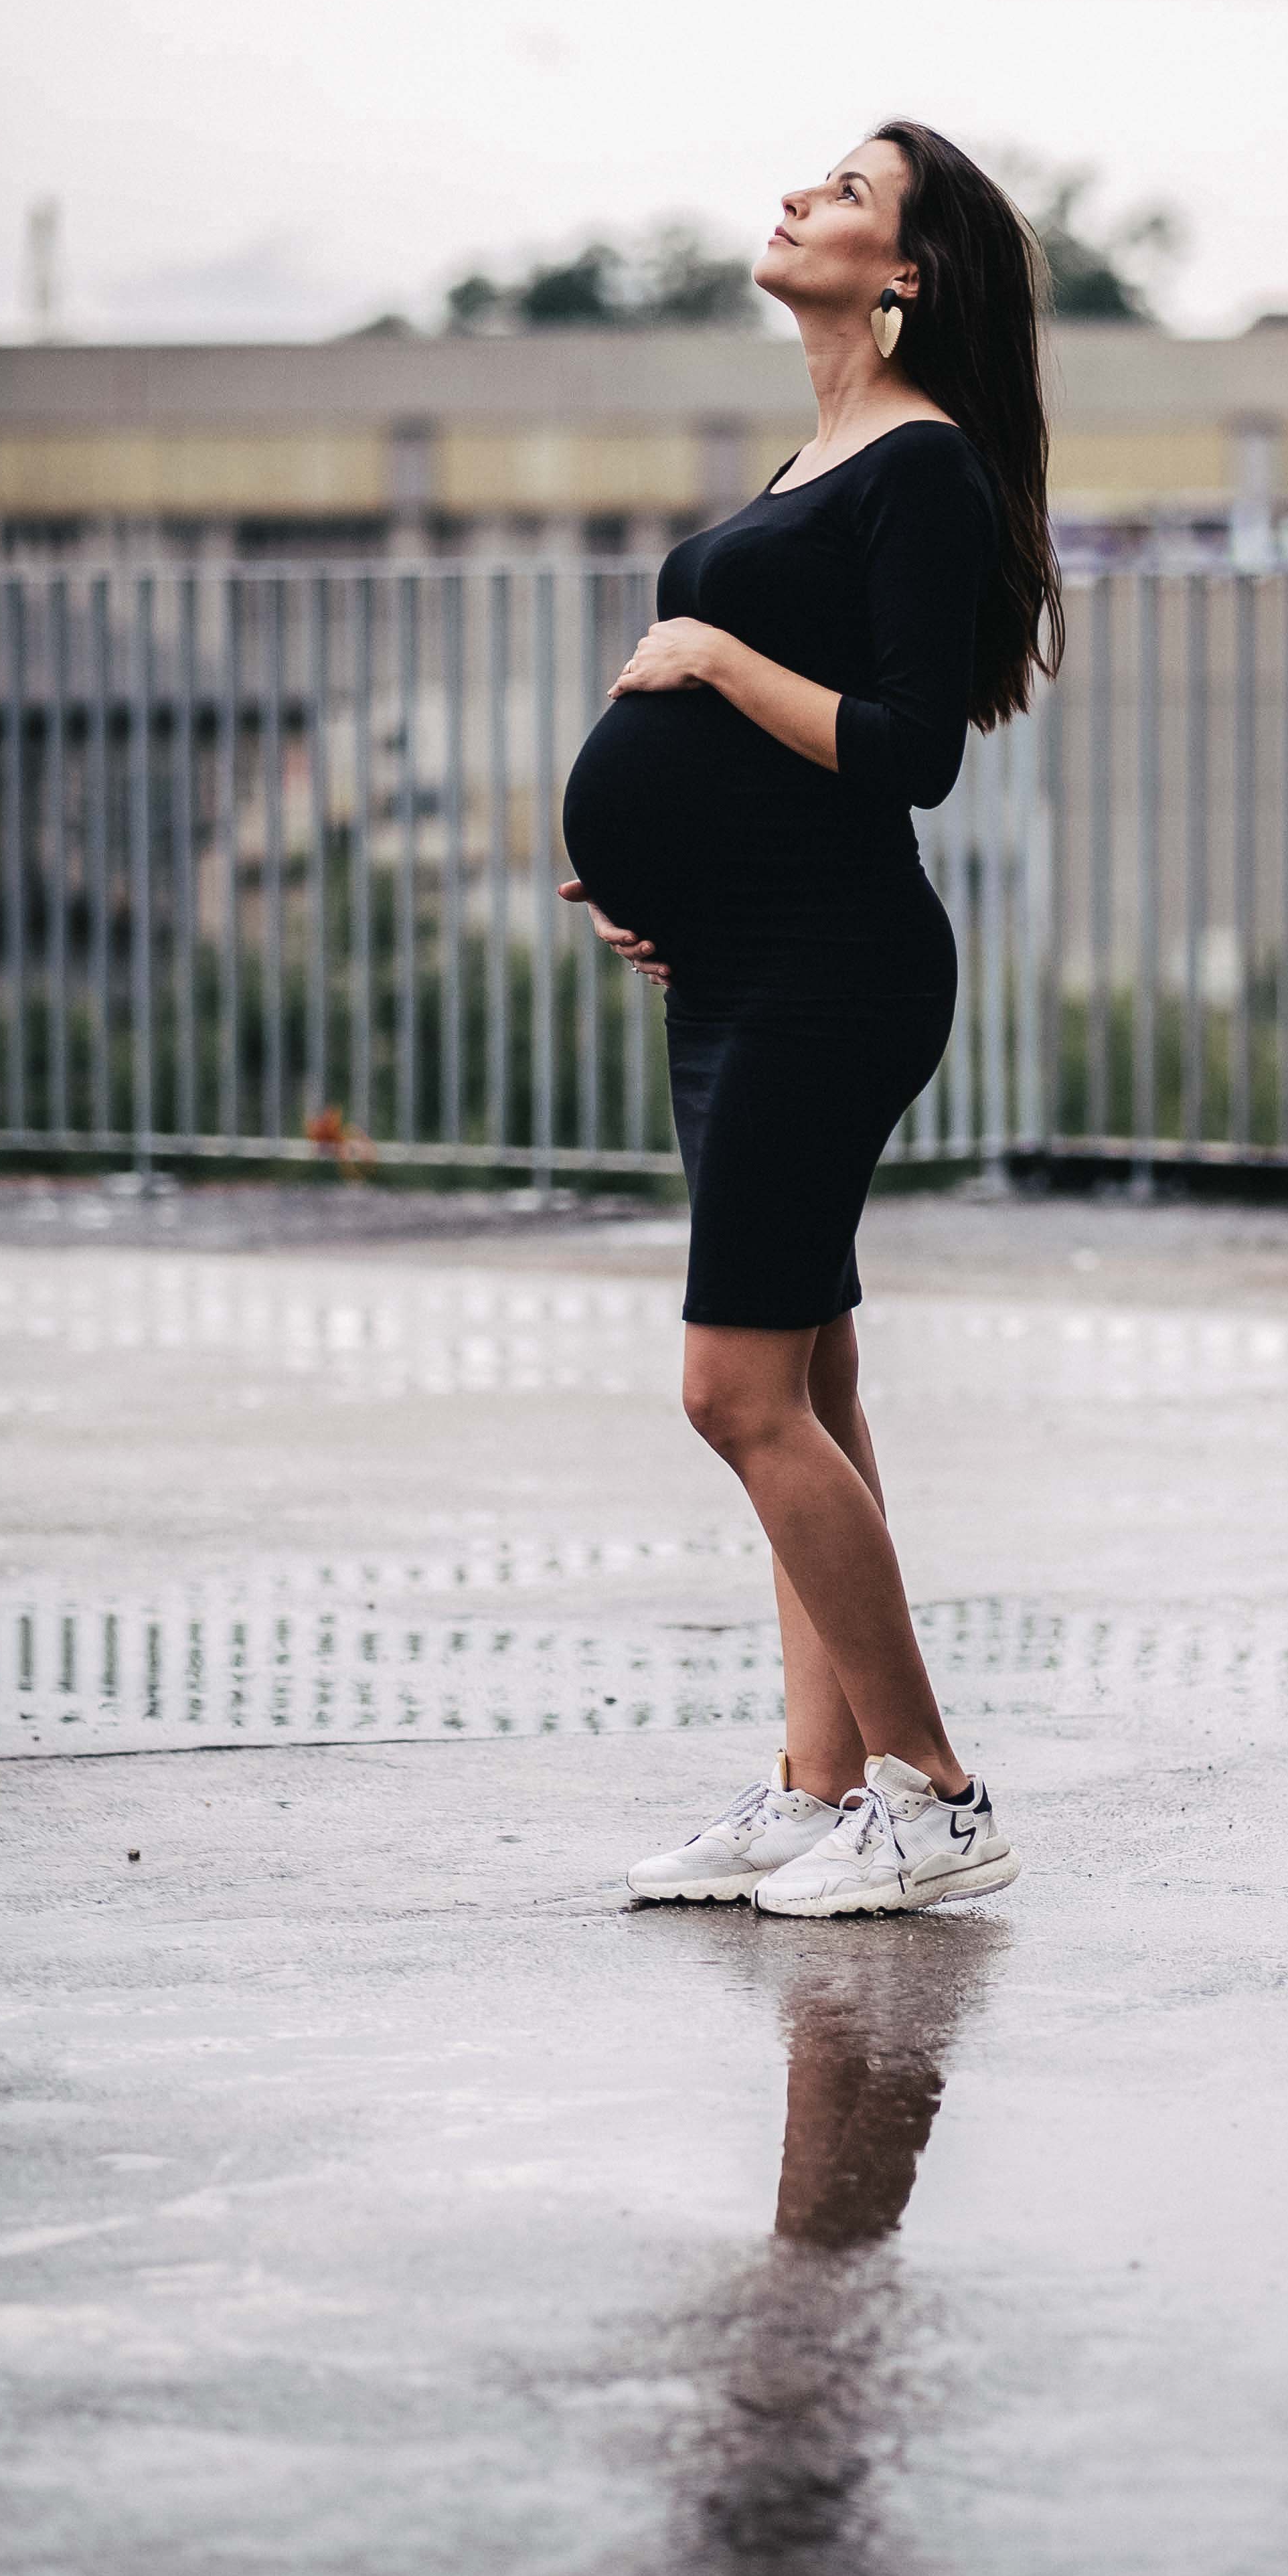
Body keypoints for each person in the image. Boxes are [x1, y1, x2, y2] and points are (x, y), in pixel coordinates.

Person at [558, 121, 1062, 1917]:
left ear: (906, 274)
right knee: (814, 1384)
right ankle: (813, 1783)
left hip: (831, 971)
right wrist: (649, 868)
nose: (796, 199)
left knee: (733, 1387)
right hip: (736, 960)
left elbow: (908, 746)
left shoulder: (918, 466)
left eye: (845, 194)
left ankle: (935, 1791)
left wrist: (698, 660)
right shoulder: (820, 453)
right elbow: (770, 764)